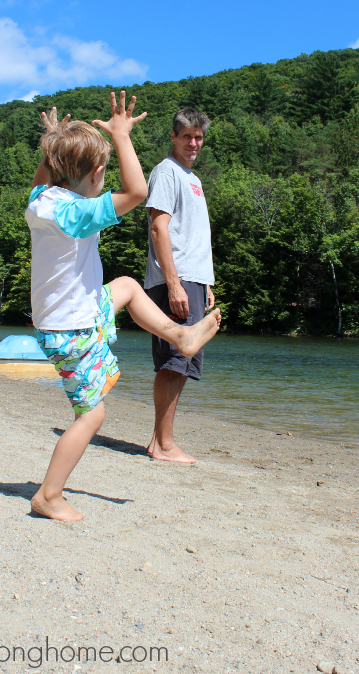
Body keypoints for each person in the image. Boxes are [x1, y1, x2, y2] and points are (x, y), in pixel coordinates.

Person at [26, 92, 221, 522]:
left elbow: (43, 178)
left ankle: (180, 335)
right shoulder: (76, 213)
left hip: (69, 314)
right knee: (90, 416)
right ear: (96, 174)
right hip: (71, 327)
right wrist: (120, 136)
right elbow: (138, 190)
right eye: (102, 174)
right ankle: (48, 495)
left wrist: (53, 139)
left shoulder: (40, 203)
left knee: (129, 286)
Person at [144, 107, 215, 464]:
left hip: (193, 279)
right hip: (177, 279)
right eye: (186, 136)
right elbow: (159, 227)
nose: (193, 143)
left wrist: (206, 282)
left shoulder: (192, 178)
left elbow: (193, 235)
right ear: (173, 136)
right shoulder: (166, 172)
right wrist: (174, 284)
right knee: (175, 359)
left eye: (198, 137)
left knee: (184, 361)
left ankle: (160, 441)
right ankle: (165, 445)